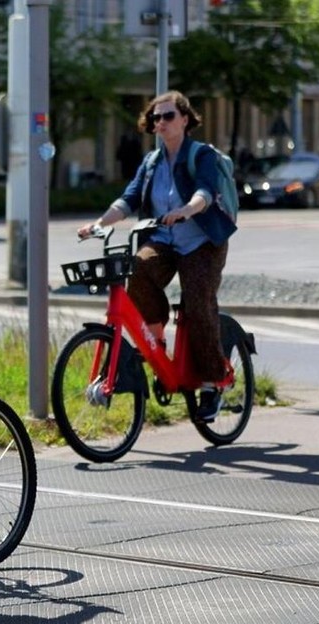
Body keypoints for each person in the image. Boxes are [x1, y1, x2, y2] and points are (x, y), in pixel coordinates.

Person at [77, 91, 236, 421]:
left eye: (168, 116)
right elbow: (129, 198)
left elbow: (205, 192)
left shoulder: (200, 155)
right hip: (164, 240)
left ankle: (212, 382)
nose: (160, 122)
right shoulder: (151, 163)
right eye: (155, 118)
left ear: (185, 119)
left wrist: (185, 210)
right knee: (136, 269)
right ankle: (156, 343)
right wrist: (97, 224)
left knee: (197, 303)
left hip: (202, 241)